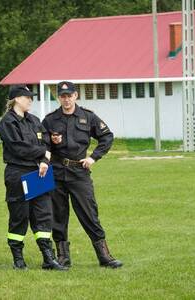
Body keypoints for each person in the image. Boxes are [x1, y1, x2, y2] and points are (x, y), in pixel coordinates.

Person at [42, 81, 122, 269]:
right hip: (56, 173)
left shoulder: (88, 116)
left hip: (79, 172)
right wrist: (50, 146)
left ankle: (104, 256)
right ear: (59, 97)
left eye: (69, 95)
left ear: (75, 96)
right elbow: (43, 144)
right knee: (58, 216)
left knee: (89, 214)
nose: (66, 99)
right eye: (63, 96)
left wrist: (93, 157)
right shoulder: (50, 120)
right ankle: (63, 258)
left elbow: (107, 137)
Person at [0, 85, 67, 271]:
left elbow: (46, 143)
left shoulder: (35, 120)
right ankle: (18, 260)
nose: (30, 100)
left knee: (43, 215)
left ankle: (48, 259)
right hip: (18, 173)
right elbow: (18, 148)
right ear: (16, 99)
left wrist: (45, 160)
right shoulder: (7, 122)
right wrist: (43, 153)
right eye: (27, 97)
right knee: (19, 216)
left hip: (39, 172)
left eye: (31, 97)